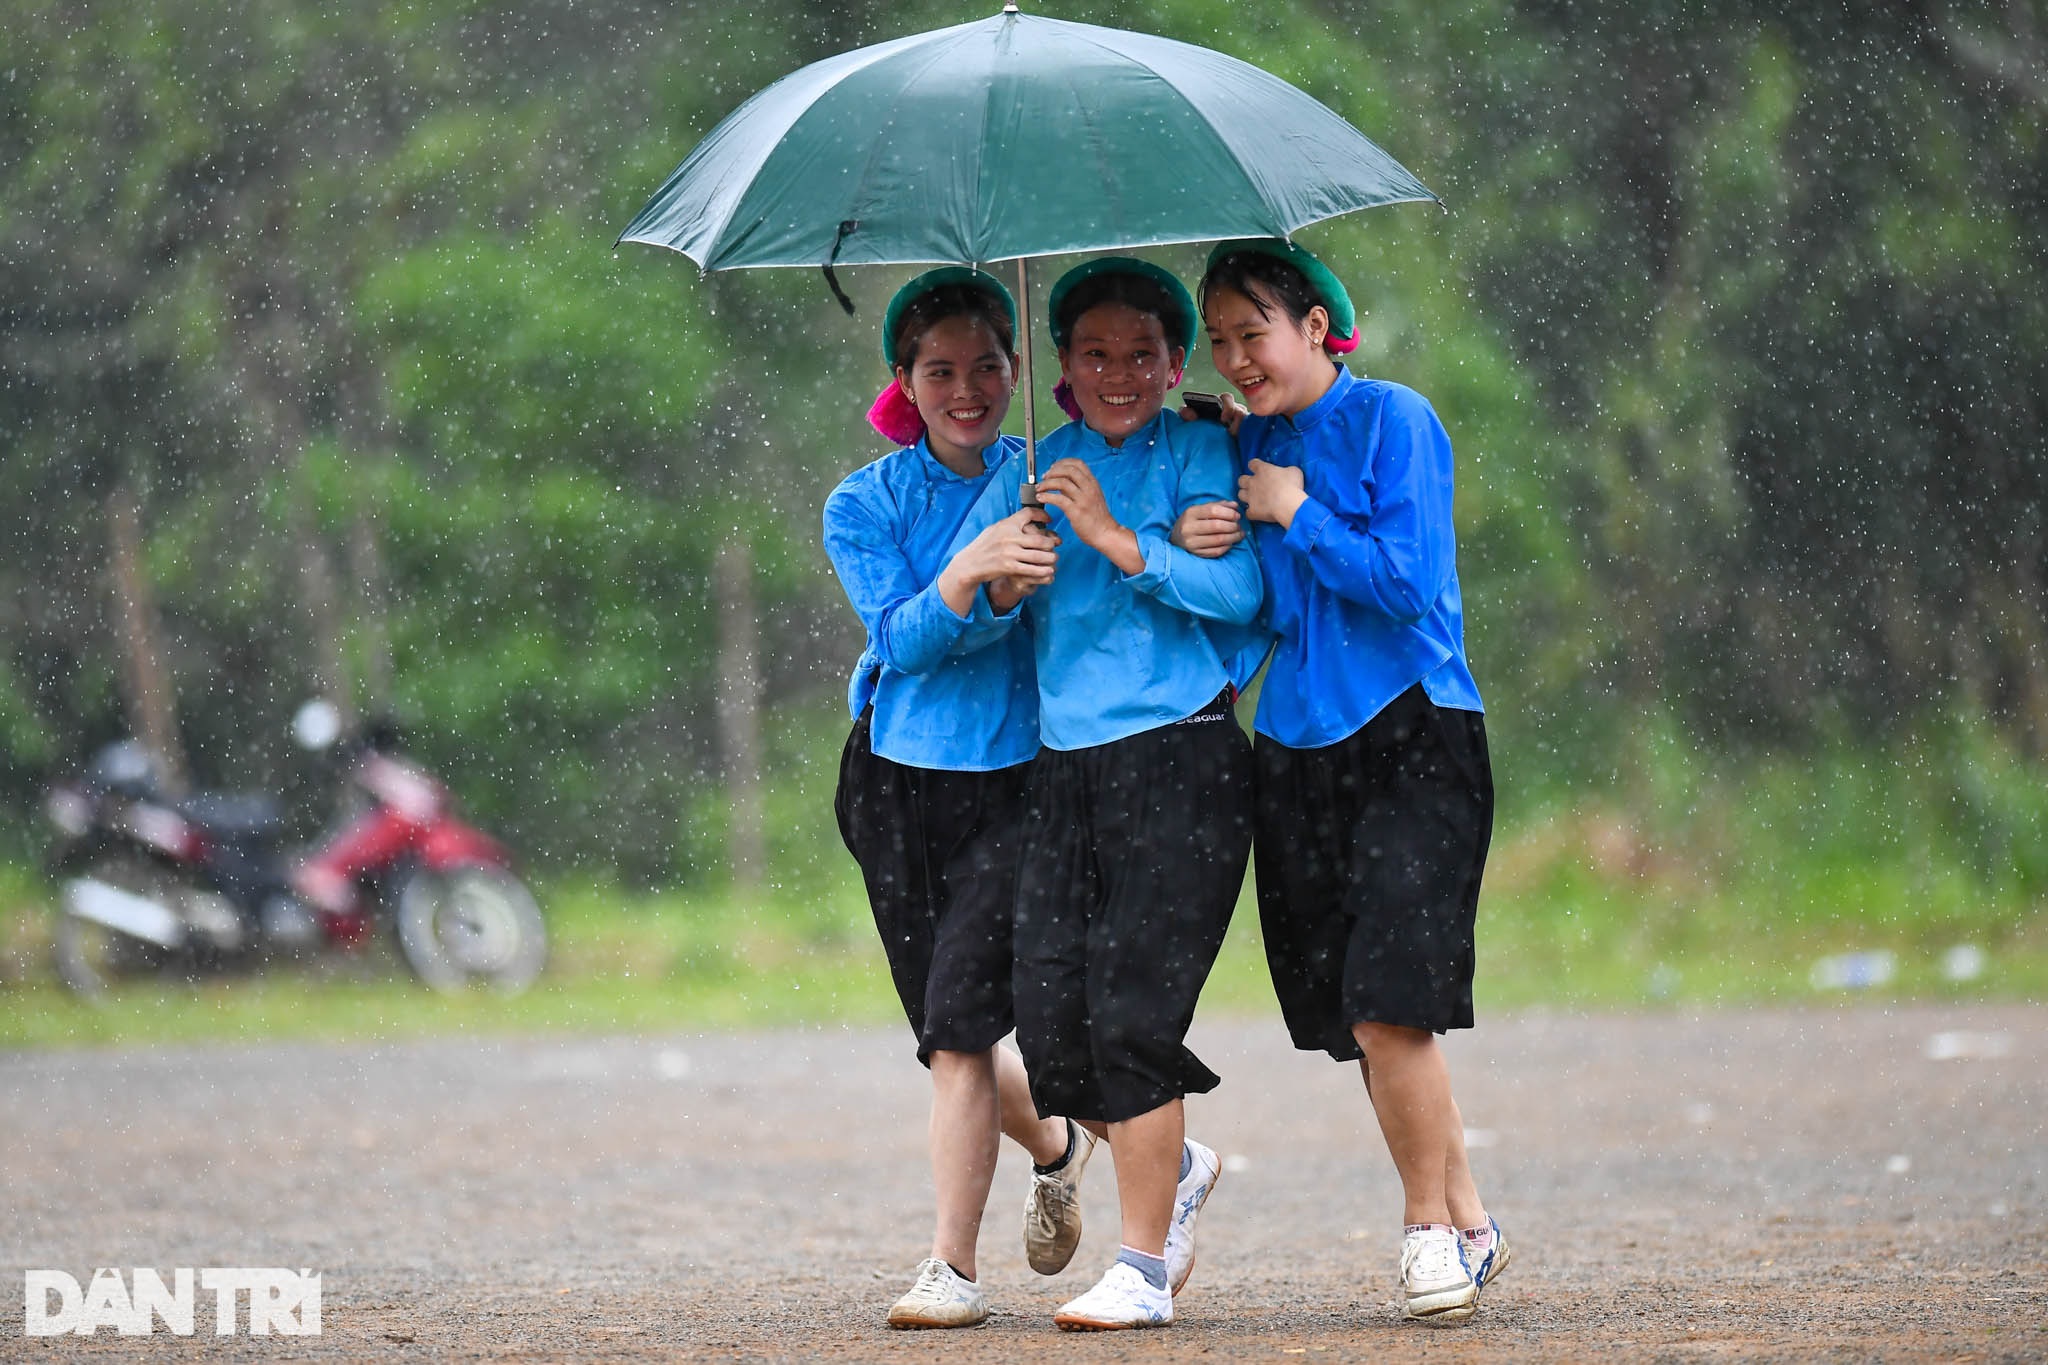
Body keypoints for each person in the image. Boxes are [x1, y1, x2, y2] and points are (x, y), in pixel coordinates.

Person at [1180, 238, 1510, 1324]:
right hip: (1299, 748)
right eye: (1217, 339)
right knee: (1360, 1015)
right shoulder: (1256, 448)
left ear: (1315, 326)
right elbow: (1276, 611)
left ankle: (1423, 1232)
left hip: (1413, 731)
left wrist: (1292, 511)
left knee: (1387, 1000)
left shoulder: (1391, 421)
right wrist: (1217, 536)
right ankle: (1466, 1222)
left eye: (1251, 332)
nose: (1233, 357)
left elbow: (1408, 585)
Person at [972, 257, 1261, 1331]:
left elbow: (1238, 591)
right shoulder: (1033, 469)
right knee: (1050, 1029)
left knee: (1135, 1011)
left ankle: (1141, 1268)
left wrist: (1114, 539)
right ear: (1062, 368)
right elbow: (994, 613)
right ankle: (1172, 1163)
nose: (1119, 373)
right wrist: (1011, 575)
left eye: (1141, 353)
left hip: (1181, 758)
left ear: (1173, 360)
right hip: (1063, 772)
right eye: (1093, 354)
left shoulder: (1196, 449)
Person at [822, 267, 1098, 1330]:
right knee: (956, 1038)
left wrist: (1009, 575)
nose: (967, 388)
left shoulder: (1051, 474)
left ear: (1016, 370)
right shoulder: (863, 502)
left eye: (987, 365)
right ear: (906, 381)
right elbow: (897, 640)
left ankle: (950, 1270)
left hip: (1021, 781)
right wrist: (974, 572)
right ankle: (1062, 1144)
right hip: (895, 784)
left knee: (957, 1030)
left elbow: (1062, 624)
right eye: (940, 370)